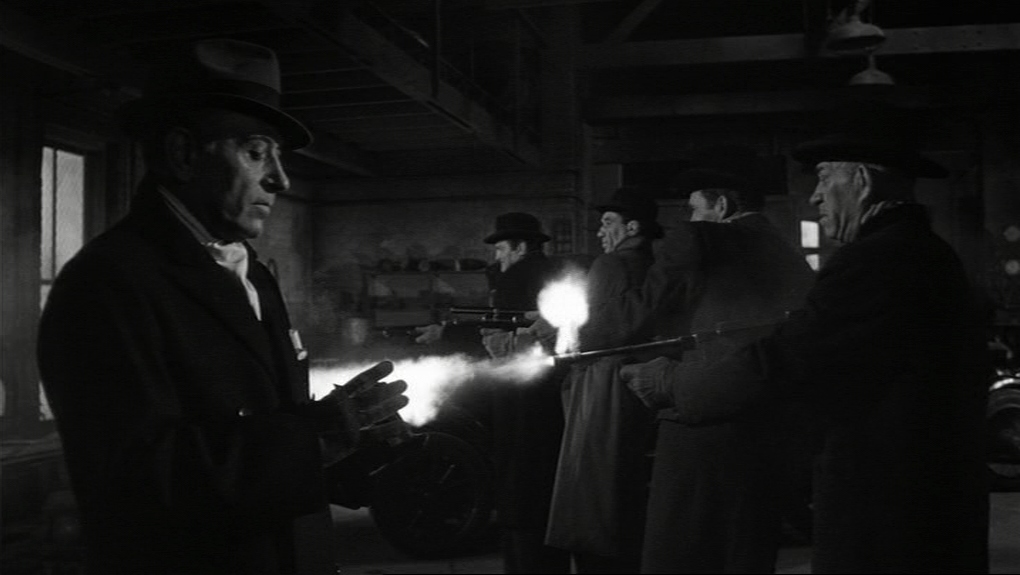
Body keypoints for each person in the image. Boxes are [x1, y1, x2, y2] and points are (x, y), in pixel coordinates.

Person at [36, 39, 409, 575]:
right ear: (185, 154)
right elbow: (140, 479)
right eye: (257, 152)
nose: (280, 178)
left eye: (277, 156)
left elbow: (270, 429)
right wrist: (314, 440)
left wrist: (356, 446)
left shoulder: (250, 272)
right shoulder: (107, 285)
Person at [621, 113, 990, 573]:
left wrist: (675, 385)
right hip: (918, 501)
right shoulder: (919, 251)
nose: (815, 195)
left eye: (824, 177)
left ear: (861, 181)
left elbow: (789, 356)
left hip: (891, 511)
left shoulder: (879, 259)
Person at [631, 163, 816, 573]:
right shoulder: (786, 251)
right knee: (743, 552)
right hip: (765, 430)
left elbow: (642, 310)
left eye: (694, 208)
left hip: (701, 420)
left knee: (680, 551)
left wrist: (562, 332)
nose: (689, 218)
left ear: (721, 206)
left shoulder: (701, 238)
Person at [417, 212, 570, 574]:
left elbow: (495, 331)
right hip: (551, 393)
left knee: (519, 486)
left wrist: (447, 334)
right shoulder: (555, 272)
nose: (497, 258)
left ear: (520, 246)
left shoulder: (517, 276)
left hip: (520, 394)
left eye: (501, 249)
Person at [544, 187, 663, 573]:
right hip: (637, 384)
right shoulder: (653, 266)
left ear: (633, 227)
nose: (600, 232)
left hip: (602, 384)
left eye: (608, 223)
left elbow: (591, 330)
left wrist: (551, 332)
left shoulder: (611, 265)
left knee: (592, 493)